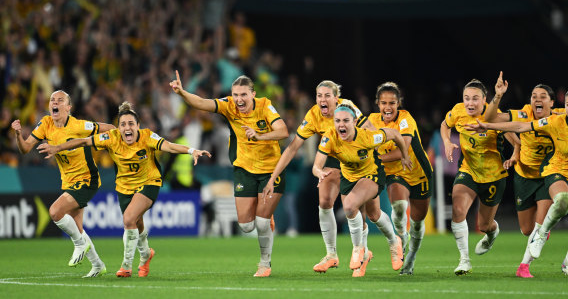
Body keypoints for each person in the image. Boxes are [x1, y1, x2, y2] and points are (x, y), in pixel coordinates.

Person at [38, 102, 211, 278]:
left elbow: (170, 146)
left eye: (130, 124)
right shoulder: (111, 138)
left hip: (149, 182)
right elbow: (84, 141)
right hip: (125, 187)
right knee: (136, 222)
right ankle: (145, 254)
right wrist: (56, 147)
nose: (127, 128)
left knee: (128, 219)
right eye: (122, 124)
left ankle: (126, 265)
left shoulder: (147, 137)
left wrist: (191, 150)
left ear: (138, 126)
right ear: (118, 128)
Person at [466, 85, 568, 278]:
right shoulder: (551, 120)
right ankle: (541, 234)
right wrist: (487, 125)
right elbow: (520, 127)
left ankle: (566, 263)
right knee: (533, 224)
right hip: (546, 173)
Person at [170, 71, 288, 277]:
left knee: (260, 222)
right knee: (245, 226)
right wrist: (182, 93)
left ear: (253, 94)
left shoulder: (265, 106)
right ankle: (266, 218)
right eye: (235, 94)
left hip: (270, 170)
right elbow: (201, 103)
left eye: (243, 94)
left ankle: (264, 264)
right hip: (244, 169)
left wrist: (259, 136)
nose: (239, 99)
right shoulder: (228, 105)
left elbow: (283, 131)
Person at [262, 80, 375, 273]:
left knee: (359, 209)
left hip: (356, 161)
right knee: (324, 201)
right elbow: (292, 148)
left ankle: (362, 252)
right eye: (319, 96)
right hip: (331, 162)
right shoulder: (313, 114)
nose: (322, 100)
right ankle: (331, 255)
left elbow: (372, 130)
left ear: (336, 98)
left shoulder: (347, 108)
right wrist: (272, 177)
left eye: (326, 96)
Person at [301, 102, 411, 277]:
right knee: (373, 214)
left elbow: (395, 134)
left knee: (350, 206)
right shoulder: (329, 137)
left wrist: (404, 156)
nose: (341, 125)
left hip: (371, 174)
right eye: (337, 121)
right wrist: (319, 172)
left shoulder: (367, 137)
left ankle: (359, 249)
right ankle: (391, 242)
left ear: (354, 122)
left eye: (346, 120)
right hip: (349, 177)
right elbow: (316, 165)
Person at [11, 90, 114, 278]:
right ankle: (98, 265)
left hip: (87, 179)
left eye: (60, 100)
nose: (55, 102)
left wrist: (109, 142)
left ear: (68, 108)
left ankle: (79, 244)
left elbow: (110, 128)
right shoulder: (46, 123)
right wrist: (18, 135)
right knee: (77, 226)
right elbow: (25, 148)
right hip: (68, 181)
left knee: (55, 211)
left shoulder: (79, 125)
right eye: (52, 100)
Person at [440, 79, 520, 275]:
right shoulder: (458, 111)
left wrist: (514, 156)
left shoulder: (493, 117)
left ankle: (492, 232)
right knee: (458, 209)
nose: (470, 103)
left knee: (483, 225)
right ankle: (464, 260)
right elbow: (445, 124)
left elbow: (516, 142)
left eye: (475, 99)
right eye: (467, 98)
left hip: (494, 176)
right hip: (469, 171)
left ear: (485, 100)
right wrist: (447, 142)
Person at [483, 72, 557, 278]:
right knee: (526, 229)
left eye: (542, 96)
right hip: (524, 175)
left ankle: (524, 266)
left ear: (552, 102)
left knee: (540, 225)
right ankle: (540, 231)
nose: (537, 99)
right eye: (534, 96)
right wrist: (497, 96)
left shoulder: (561, 117)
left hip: (548, 176)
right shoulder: (524, 114)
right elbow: (489, 118)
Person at [368, 82, 433, 275]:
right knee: (398, 206)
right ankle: (401, 237)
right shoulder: (371, 121)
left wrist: (375, 158)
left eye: (392, 103)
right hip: (395, 173)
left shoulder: (406, 120)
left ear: (399, 103)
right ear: (377, 104)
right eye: (383, 103)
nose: (388, 107)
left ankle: (411, 259)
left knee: (418, 222)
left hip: (418, 171)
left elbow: (402, 148)